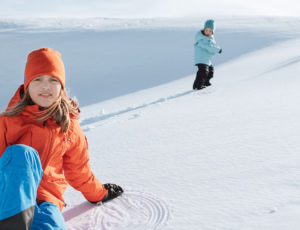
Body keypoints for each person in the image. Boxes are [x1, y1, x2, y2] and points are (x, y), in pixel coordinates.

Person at [0, 47, 123, 230]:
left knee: (52, 226)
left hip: (46, 199)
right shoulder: (8, 121)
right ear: (27, 85)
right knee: (22, 154)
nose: (45, 86)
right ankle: (12, 224)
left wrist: (100, 194)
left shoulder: (69, 127)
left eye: (53, 80)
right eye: (38, 79)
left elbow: (79, 170)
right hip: (9, 197)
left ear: (62, 86)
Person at [193, 19, 222, 90]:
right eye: (206, 30)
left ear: (212, 32)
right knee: (203, 72)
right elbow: (209, 47)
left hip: (206, 59)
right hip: (201, 59)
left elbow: (211, 46)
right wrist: (218, 49)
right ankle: (197, 86)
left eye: (210, 31)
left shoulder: (209, 38)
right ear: (204, 29)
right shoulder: (202, 39)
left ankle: (205, 82)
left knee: (210, 71)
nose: (208, 32)